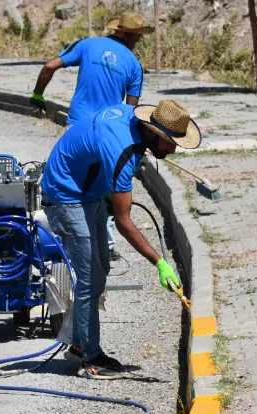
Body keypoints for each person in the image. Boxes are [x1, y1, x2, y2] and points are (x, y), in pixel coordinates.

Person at [40, 100, 202, 379]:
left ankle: (79, 345)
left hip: (89, 191)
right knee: (90, 279)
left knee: (100, 272)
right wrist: (160, 263)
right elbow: (125, 223)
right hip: (66, 195)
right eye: (171, 142)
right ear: (154, 133)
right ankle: (90, 360)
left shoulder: (134, 124)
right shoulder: (123, 151)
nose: (174, 149)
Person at [30, 12, 153, 260]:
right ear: (128, 34)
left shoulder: (87, 45)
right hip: (106, 132)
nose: (137, 41)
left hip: (78, 128)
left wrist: (38, 95)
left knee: (72, 181)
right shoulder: (133, 65)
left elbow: (49, 66)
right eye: (137, 37)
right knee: (106, 186)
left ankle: (60, 235)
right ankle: (104, 246)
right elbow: (132, 111)